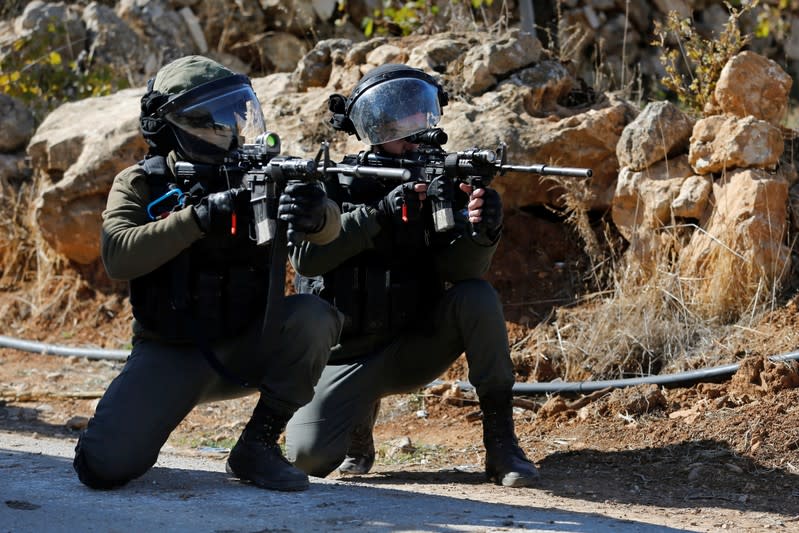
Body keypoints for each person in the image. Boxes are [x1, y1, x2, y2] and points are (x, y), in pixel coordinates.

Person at [73, 55, 343, 492]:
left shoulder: (262, 173)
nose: (228, 131)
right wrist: (198, 218)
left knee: (314, 316)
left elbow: (328, 232)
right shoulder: (142, 183)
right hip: (173, 350)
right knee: (103, 468)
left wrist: (316, 214)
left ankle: (258, 445)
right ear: (168, 126)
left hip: (250, 341)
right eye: (209, 120)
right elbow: (118, 256)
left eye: (233, 114)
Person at [284, 64, 539, 487]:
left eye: (421, 117)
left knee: (476, 296)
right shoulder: (334, 183)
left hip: (413, 346)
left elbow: (460, 272)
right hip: (346, 356)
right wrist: (377, 216)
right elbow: (307, 260)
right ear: (376, 126)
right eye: (401, 122)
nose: (416, 130)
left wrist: (483, 233)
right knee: (309, 458)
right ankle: (356, 431)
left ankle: (502, 445)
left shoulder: (439, 180)